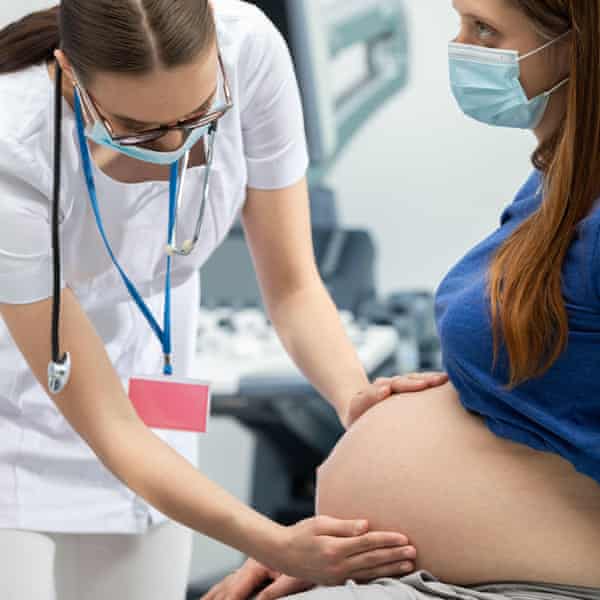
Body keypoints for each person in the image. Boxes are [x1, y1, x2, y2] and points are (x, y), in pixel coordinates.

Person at [0, 1, 451, 598]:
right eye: (138, 129)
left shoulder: (249, 52)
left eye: (199, 117)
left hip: (152, 407)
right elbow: (109, 425)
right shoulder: (13, 144)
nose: (177, 148)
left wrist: (356, 399)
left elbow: (292, 287)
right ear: (67, 72)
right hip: (18, 410)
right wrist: (273, 542)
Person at [203, 1, 600, 599]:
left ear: (578, 45)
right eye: (460, 22)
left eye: (485, 30)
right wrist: (326, 555)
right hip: (438, 570)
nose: (459, 46)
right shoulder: (557, 180)